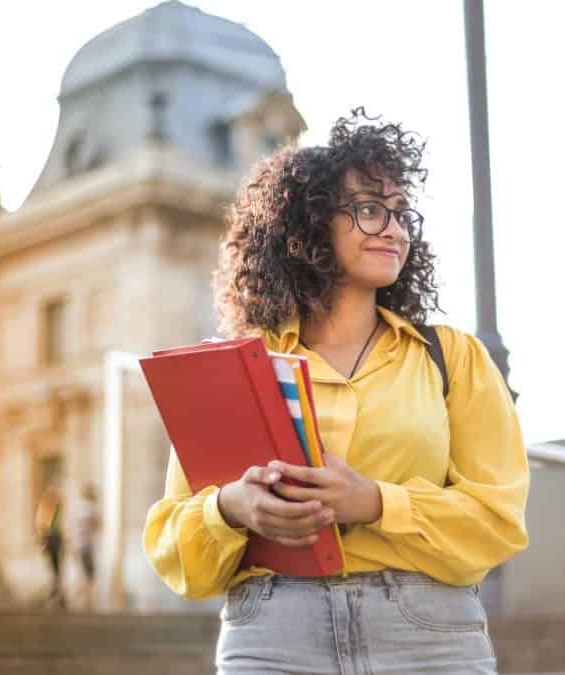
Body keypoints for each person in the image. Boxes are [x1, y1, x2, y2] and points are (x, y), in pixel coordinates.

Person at [143, 109, 530, 674]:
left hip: (428, 636)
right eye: (371, 210)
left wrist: (375, 502)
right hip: (273, 635)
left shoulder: (452, 358)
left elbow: (498, 521)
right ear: (308, 225)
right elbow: (176, 550)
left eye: (401, 214)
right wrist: (232, 507)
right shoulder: (237, 371)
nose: (395, 229)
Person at [71, 483, 101, 610]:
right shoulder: (92, 509)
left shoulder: (78, 508)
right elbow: (98, 524)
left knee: (83, 573)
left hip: (78, 544)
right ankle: (84, 601)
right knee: (89, 575)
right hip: (87, 545)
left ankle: (82, 600)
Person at [34, 485, 65, 608]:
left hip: (53, 541)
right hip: (52, 541)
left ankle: (56, 593)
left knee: (56, 569)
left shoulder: (51, 511)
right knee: (55, 569)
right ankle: (56, 593)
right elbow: (43, 527)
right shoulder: (47, 510)